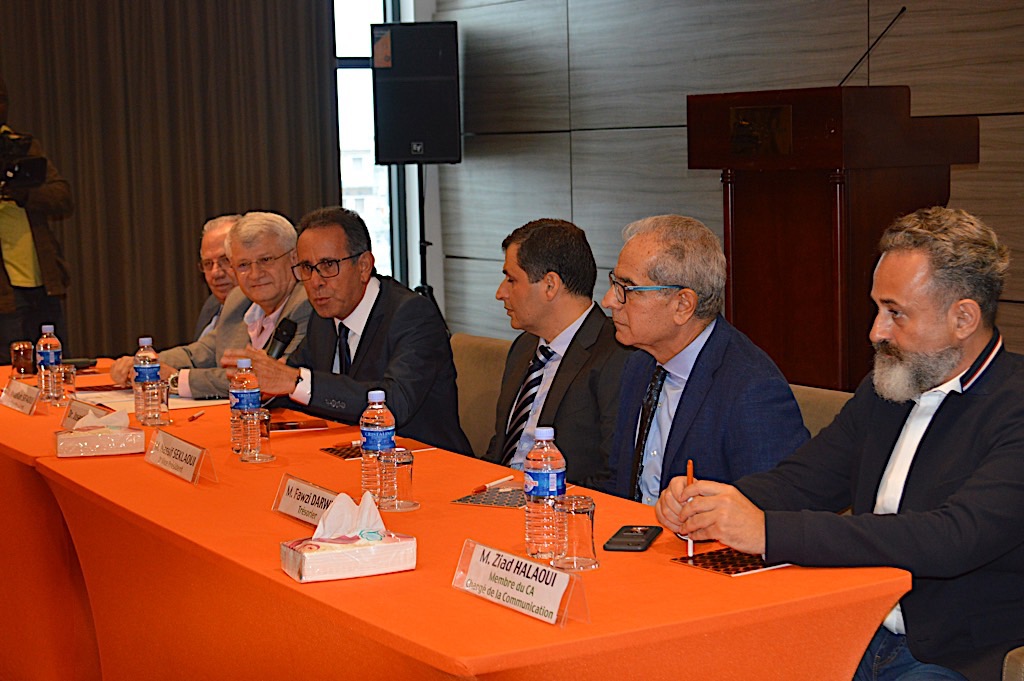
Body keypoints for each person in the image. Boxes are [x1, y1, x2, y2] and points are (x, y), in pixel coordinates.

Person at [658, 207, 1024, 681]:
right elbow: (806, 480)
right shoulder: (890, 386)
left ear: (964, 318)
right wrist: (715, 503)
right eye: (877, 309)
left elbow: (952, 538)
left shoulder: (1013, 405)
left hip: (951, 652)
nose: (876, 332)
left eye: (895, 313)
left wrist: (767, 531)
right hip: (853, 623)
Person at [225, 205, 471, 455]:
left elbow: (395, 403)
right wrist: (262, 383)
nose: (316, 282)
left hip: (424, 459)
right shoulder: (324, 317)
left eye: (328, 265)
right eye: (307, 268)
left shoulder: (412, 314)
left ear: (363, 266)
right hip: (353, 455)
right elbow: (297, 384)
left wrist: (293, 380)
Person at [601, 214, 807, 504]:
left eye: (627, 289)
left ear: (683, 305)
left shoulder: (752, 389)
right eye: (614, 283)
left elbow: (774, 509)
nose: (609, 300)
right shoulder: (640, 363)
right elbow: (620, 481)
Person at [484, 218, 631, 488]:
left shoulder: (617, 355)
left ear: (550, 285)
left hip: (560, 503)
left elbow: (614, 475)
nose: (500, 293)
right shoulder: (524, 347)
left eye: (511, 279)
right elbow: (500, 450)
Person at [110, 211, 310, 398]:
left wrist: (176, 380)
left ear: (294, 258)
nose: (255, 274)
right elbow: (199, 354)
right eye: (243, 265)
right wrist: (146, 363)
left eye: (266, 260)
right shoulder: (239, 299)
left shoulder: (305, 304)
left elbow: (267, 378)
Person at [0, 74, 73, 358]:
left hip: (44, 284)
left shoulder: (23, 146)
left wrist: (24, 194)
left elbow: (62, 197)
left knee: (54, 368)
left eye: (3, 100)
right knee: (12, 373)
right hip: (6, 296)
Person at [194, 214, 240, 339]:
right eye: (208, 263)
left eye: (225, 260)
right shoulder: (211, 305)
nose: (216, 273)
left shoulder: (261, 311)